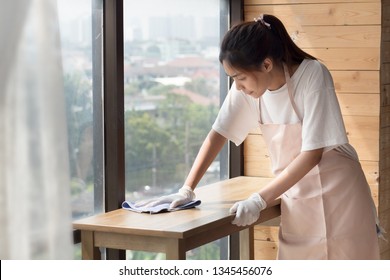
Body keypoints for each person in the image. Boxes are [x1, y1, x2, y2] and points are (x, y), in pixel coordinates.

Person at [136, 14, 383, 259]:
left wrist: (259, 200)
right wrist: (187, 189)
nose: (239, 86)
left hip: (341, 196)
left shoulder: (312, 75)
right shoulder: (247, 87)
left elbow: (311, 154)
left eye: (241, 78)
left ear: (266, 65)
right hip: (296, 197)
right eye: (233, 79)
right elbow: (218, 133)